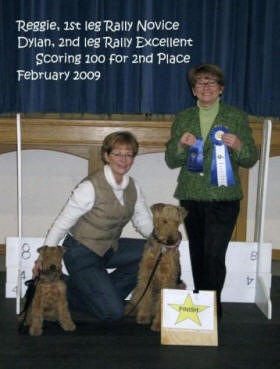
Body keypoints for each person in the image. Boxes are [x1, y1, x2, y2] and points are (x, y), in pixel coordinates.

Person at [165, 63, 258, 318]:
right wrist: (181, 146)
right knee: (197, 251)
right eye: (200, 84)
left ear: (221, 89)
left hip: (224, 198)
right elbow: (172, 160)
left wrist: (238, 144)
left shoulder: (236, 117)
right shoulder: (183, 117)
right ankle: (203, 306)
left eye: (211, 83)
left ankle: (210, 309)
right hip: (191, 196)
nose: (205, 87)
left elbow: (250, 158)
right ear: (194, 91)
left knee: (214, 254)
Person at [33, 131, 153, 322]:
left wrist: (163, 240)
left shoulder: (133, 187)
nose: (123, 160)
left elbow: (143, 222)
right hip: (82, 253)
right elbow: (62, 223)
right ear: (106, 156)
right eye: (117, 154)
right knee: (112, 312)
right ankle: (70, 289)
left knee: (153, 252)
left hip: (109, 248)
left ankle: (99, 293)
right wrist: (44, 257)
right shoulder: (89, 187)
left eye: (129, 155)